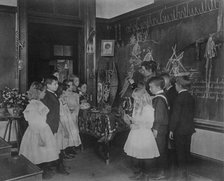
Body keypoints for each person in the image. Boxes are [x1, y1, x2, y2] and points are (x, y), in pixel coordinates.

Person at [19, 82, 59, 179]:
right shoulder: (34, 105)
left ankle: (41, 172)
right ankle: (36, 173)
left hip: (43, 130)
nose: (44, 94)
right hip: (38, 132)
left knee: (42, 154)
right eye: (43, 92)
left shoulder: (38, 103)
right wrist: (40, 137)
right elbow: (34, 123)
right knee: (37, 153)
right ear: (38, 92)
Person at [123, 88, 160, 180]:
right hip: (135, 133)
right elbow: (138, 119)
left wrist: (136, 125)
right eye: (134, 98)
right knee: (136, 154)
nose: (135, 100)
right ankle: (138, 172)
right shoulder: (137, 107)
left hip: (144, 134)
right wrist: (130, 119)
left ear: (142, 97)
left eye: (136, 98)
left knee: (145, 155)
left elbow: (149, 124)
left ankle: (146, 174)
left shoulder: (148, 108)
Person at [41, 75, 69, 175]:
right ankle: (48, 168)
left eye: (57, 83)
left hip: (56, 124)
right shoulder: (46, 95)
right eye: (54, 84)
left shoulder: (54, 94)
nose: (57, 86)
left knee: (59, 146)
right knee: (51, 146)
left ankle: (59, 166)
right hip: (50, 125)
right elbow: (44, 112)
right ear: (48, 85)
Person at [169, 76, 195, 181]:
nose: (175, 86)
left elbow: (176, 116)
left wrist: (171, 129)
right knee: (186, 152)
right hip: (188, 129)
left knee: (179, 153)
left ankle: (181, 176)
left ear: (179, 85)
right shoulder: (191, 97)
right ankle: (186, 175)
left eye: (175, 84)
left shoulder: (178, 98)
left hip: (179, 130)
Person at [148, 76, 169, 180]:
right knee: (159, 149)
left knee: (160, 150)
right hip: (161, 128)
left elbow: (159, 117)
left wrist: (155, 129)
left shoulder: (159, 99)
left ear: (157, 87)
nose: (150, 89)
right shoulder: (160, 96)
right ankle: (159, 171)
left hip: (159, 129)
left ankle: (161, 173)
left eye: (151, 87)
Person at [161, 73, 178, 178]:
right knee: (166, 150)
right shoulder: (165, 91)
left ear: (168, 81)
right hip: (166, 125)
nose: (162, 82)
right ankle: (166, 172)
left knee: (170, 150)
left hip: (170, 125)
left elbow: (172, 111)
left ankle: (169, 174)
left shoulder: (173, 92)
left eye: (163, 80)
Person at [63, 79, 81, 153]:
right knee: (68, 131)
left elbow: (78, 105)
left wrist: (75, 111)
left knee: (74, 131)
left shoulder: (75, 95)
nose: (72, 86)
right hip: (67, 115)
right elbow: (63, 105)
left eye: (72, 85)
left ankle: (73, 146)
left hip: (74, 115)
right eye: (70, 85)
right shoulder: (63, 95)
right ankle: (67, 148)